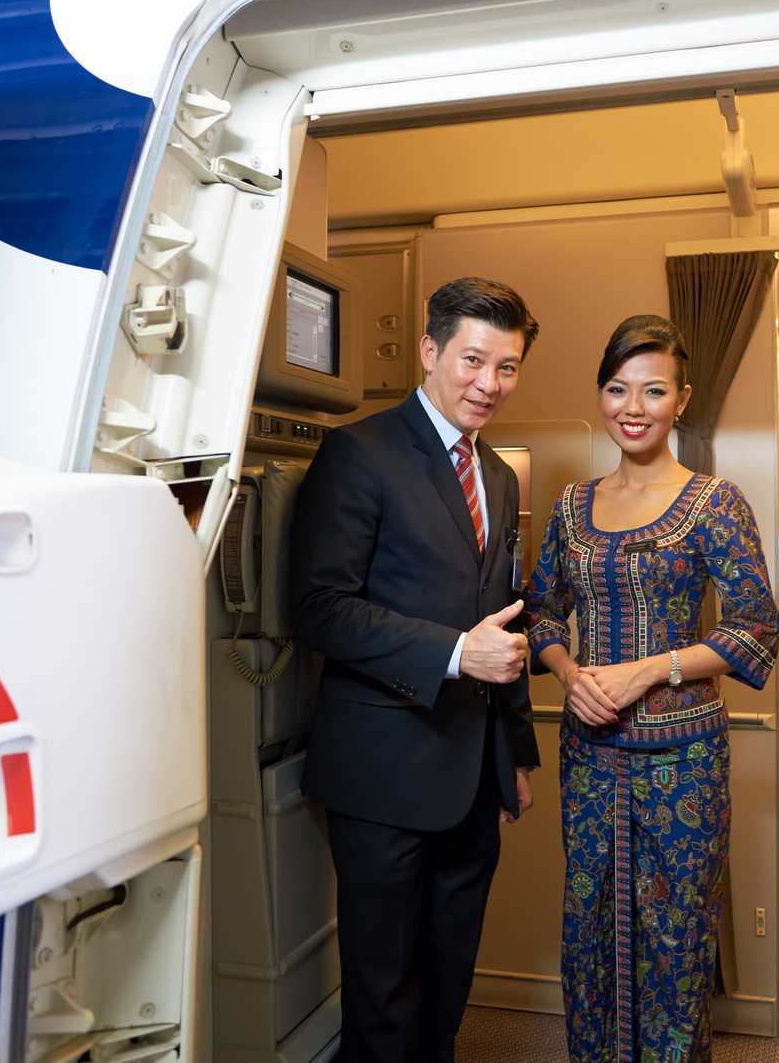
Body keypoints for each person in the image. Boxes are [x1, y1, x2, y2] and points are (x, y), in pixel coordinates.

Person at [293, 276, 541, 1063]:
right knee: (383, 992)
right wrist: (452, 651)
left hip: (474, 771)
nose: (488, 384)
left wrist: (519, 754)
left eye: (506, 368)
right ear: (430, 352)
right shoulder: (358, 453)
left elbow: (502, 613)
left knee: (447, 980)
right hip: (384, 772)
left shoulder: (497, 474)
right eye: (473, 360)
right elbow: (320, 608)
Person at [524, 315, 779, 1063]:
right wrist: (569, 674)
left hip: (684, 762)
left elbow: (755, 627)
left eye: (653, 390)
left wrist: (649, 669)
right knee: (590, 932)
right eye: (617, 389)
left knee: (676, 943)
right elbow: (541, 611)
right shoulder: (572, 507)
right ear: (602, 395)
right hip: (590, 759)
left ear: (681, 400)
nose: (633, 407)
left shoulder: (715, 502)